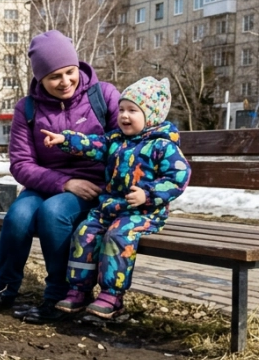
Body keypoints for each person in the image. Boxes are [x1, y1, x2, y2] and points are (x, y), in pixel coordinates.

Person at [0, 30, 120, 324]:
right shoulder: (27, 109)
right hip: (48, 184)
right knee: (19, 215)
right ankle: (5, 289)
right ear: (41, 79)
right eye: (54, 77)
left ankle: (58, 296)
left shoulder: (103, 96)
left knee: (53, 213)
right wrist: (63, 182)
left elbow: (122, 146)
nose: (65, 81)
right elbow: (21, 164)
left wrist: (92, 182)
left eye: (69, 72)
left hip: (93, 189)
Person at [43, 77, 189, 318]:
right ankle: (79, 290)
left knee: (118, 235)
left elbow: (178, 178)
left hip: (144, 213)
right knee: (84, 232)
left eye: (133, 110)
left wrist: (148, 195)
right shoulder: (115, 141)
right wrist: (65, 139)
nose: (124, 116)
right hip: (111, 209)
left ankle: (112, 294)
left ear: (151, 115)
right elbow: (93, 144)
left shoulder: (163, 146)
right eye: (121, 109)